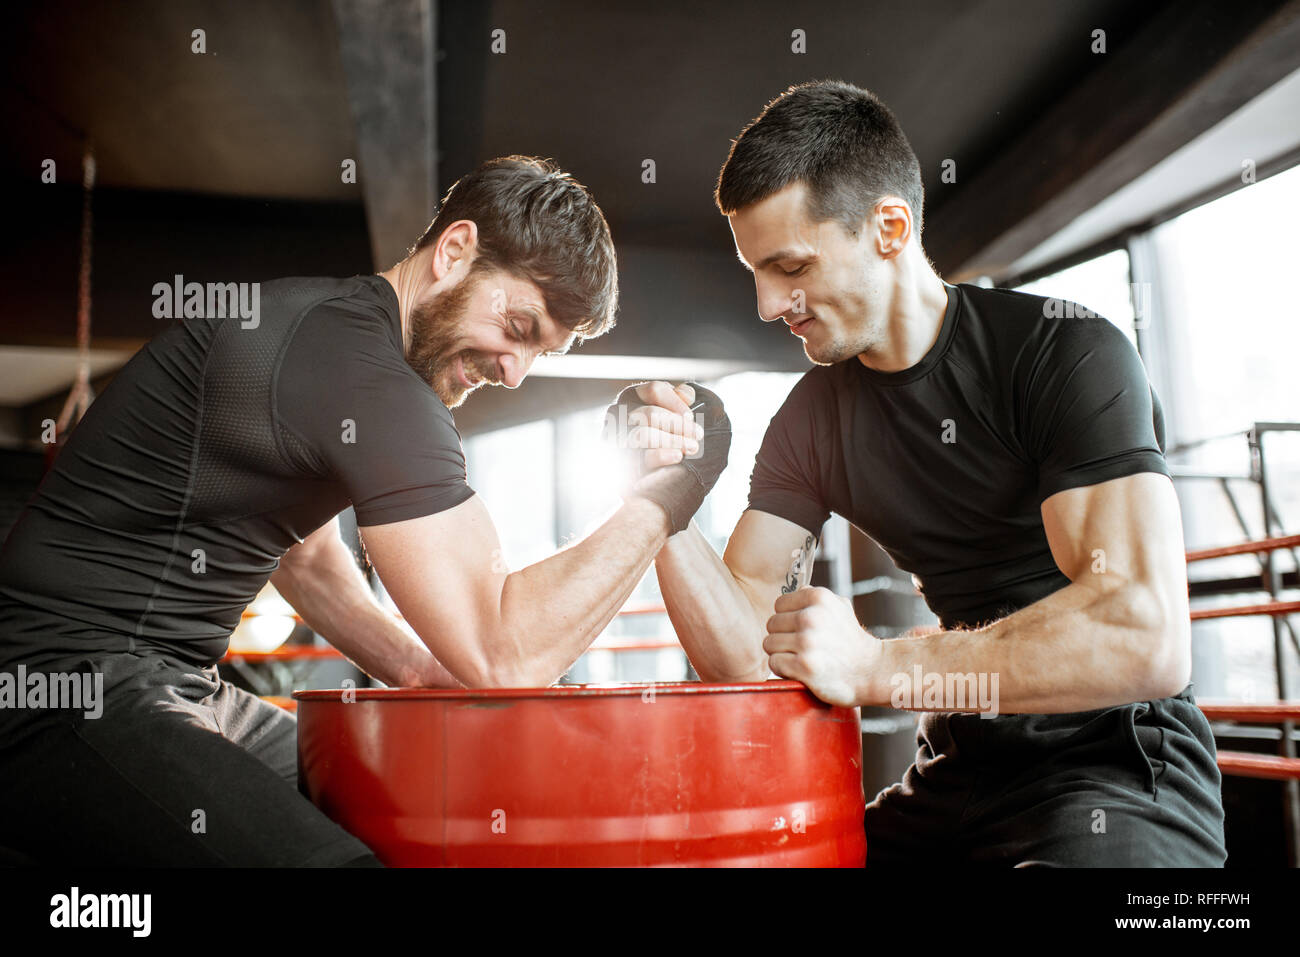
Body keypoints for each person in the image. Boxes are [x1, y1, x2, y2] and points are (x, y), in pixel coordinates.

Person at [0, 155, 728, 866]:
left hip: (173, 682)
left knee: (410, 815)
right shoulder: (368, 377)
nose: (515, 371)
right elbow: (504, 654)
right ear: (455, 250)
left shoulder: (332, 335)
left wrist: (414, 669)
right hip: (60, 682)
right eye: (520, 327)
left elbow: (307, 559)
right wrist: (673, 489)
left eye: (541, 352)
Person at [634, 81, 1226, 866]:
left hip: (1113, 765)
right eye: (757, 273)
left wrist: (879, 665)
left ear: (889, 227)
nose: (769, 304)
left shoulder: (1063, 354)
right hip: (958, 770)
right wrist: (663, 504)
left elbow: (1142, 635)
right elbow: (744, 649)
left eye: (791, 267)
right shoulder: (812, 420)